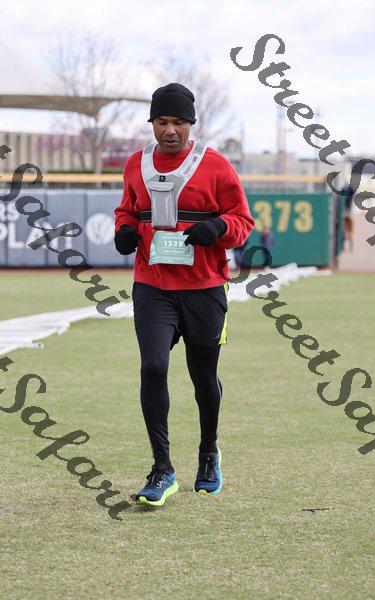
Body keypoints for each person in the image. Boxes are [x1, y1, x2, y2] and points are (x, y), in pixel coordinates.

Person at [113, 83, 254, 507]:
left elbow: (242, 221)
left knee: (203, 377)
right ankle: (162, 468)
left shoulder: (216, 165)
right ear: (152, 123)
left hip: (204, 287)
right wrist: (124, 230)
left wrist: (218, 228)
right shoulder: (136, 165)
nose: (169, 130)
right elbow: (127, 209)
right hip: (153, 285)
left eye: (178, 122)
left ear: (191, 124)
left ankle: (208, 454)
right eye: (162, 121)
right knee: (153, 367)